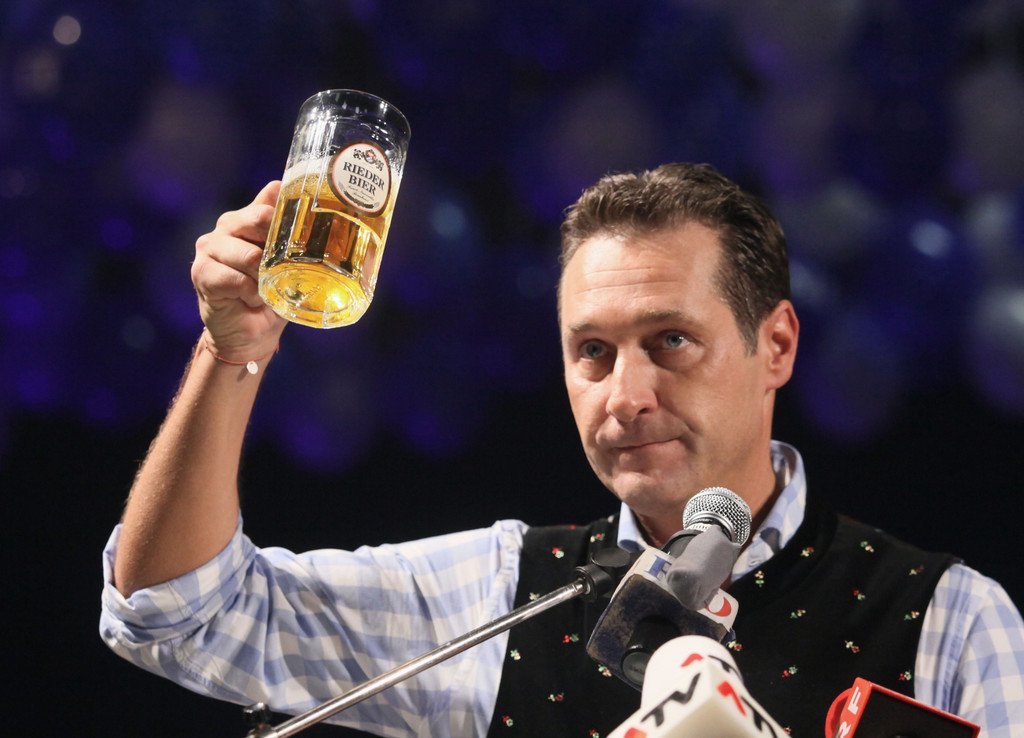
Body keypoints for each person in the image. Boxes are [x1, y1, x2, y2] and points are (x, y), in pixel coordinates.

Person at [100, 163, 1024, 737]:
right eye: (593, 352)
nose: (626, 395)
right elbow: (178, 613)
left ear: (775, 345)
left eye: (671, 341)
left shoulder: (951, 620)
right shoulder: (506, 598)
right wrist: (229, 351)